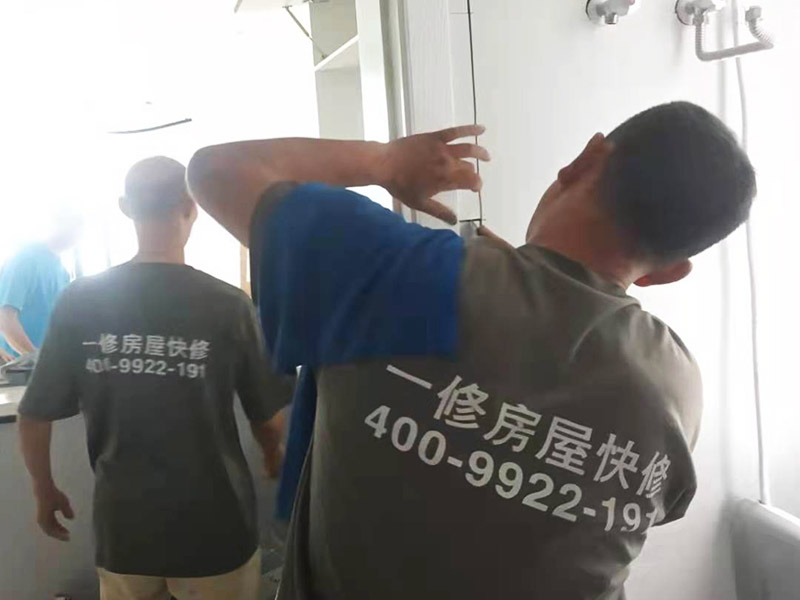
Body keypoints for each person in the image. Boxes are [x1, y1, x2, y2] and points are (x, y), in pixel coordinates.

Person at [186, 101, 756, 599]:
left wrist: (386, 161)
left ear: (584, 160)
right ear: (669, 272)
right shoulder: (677, 384)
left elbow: (216, 170)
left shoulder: (397, 271)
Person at [18, 157, 293, 600]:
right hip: (216, 525)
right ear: (192, 206)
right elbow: (269, 418)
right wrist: (272, 454)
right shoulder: (227, 304)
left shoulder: (80, 301)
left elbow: (34, 414)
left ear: (125, 207)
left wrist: (44, 490)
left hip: (124, 527)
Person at [0, 209, 81, 357]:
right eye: (72, 224)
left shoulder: (62, 271)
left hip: (46, 361)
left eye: (80, 227)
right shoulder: (26, 259)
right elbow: (5, 317)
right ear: (55, 223)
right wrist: (34, 358)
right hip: (18, 364)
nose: (76, 232)